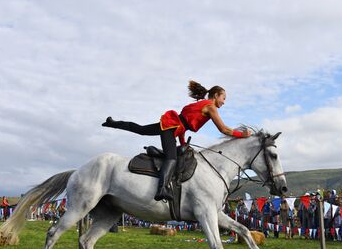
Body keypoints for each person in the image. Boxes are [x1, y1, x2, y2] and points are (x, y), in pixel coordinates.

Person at [102, 80, 251, 201]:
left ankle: (112, 123)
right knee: (171, 158)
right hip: (171, 127)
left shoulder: (204, 105)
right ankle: (162, 189)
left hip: (173, 126)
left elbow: (183, 124)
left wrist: (183, 142)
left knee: (141, 129)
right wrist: (241, 135)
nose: (224, 102)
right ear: (216, 95)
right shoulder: (210, 107)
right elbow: (224, 129)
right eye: (223, 98)